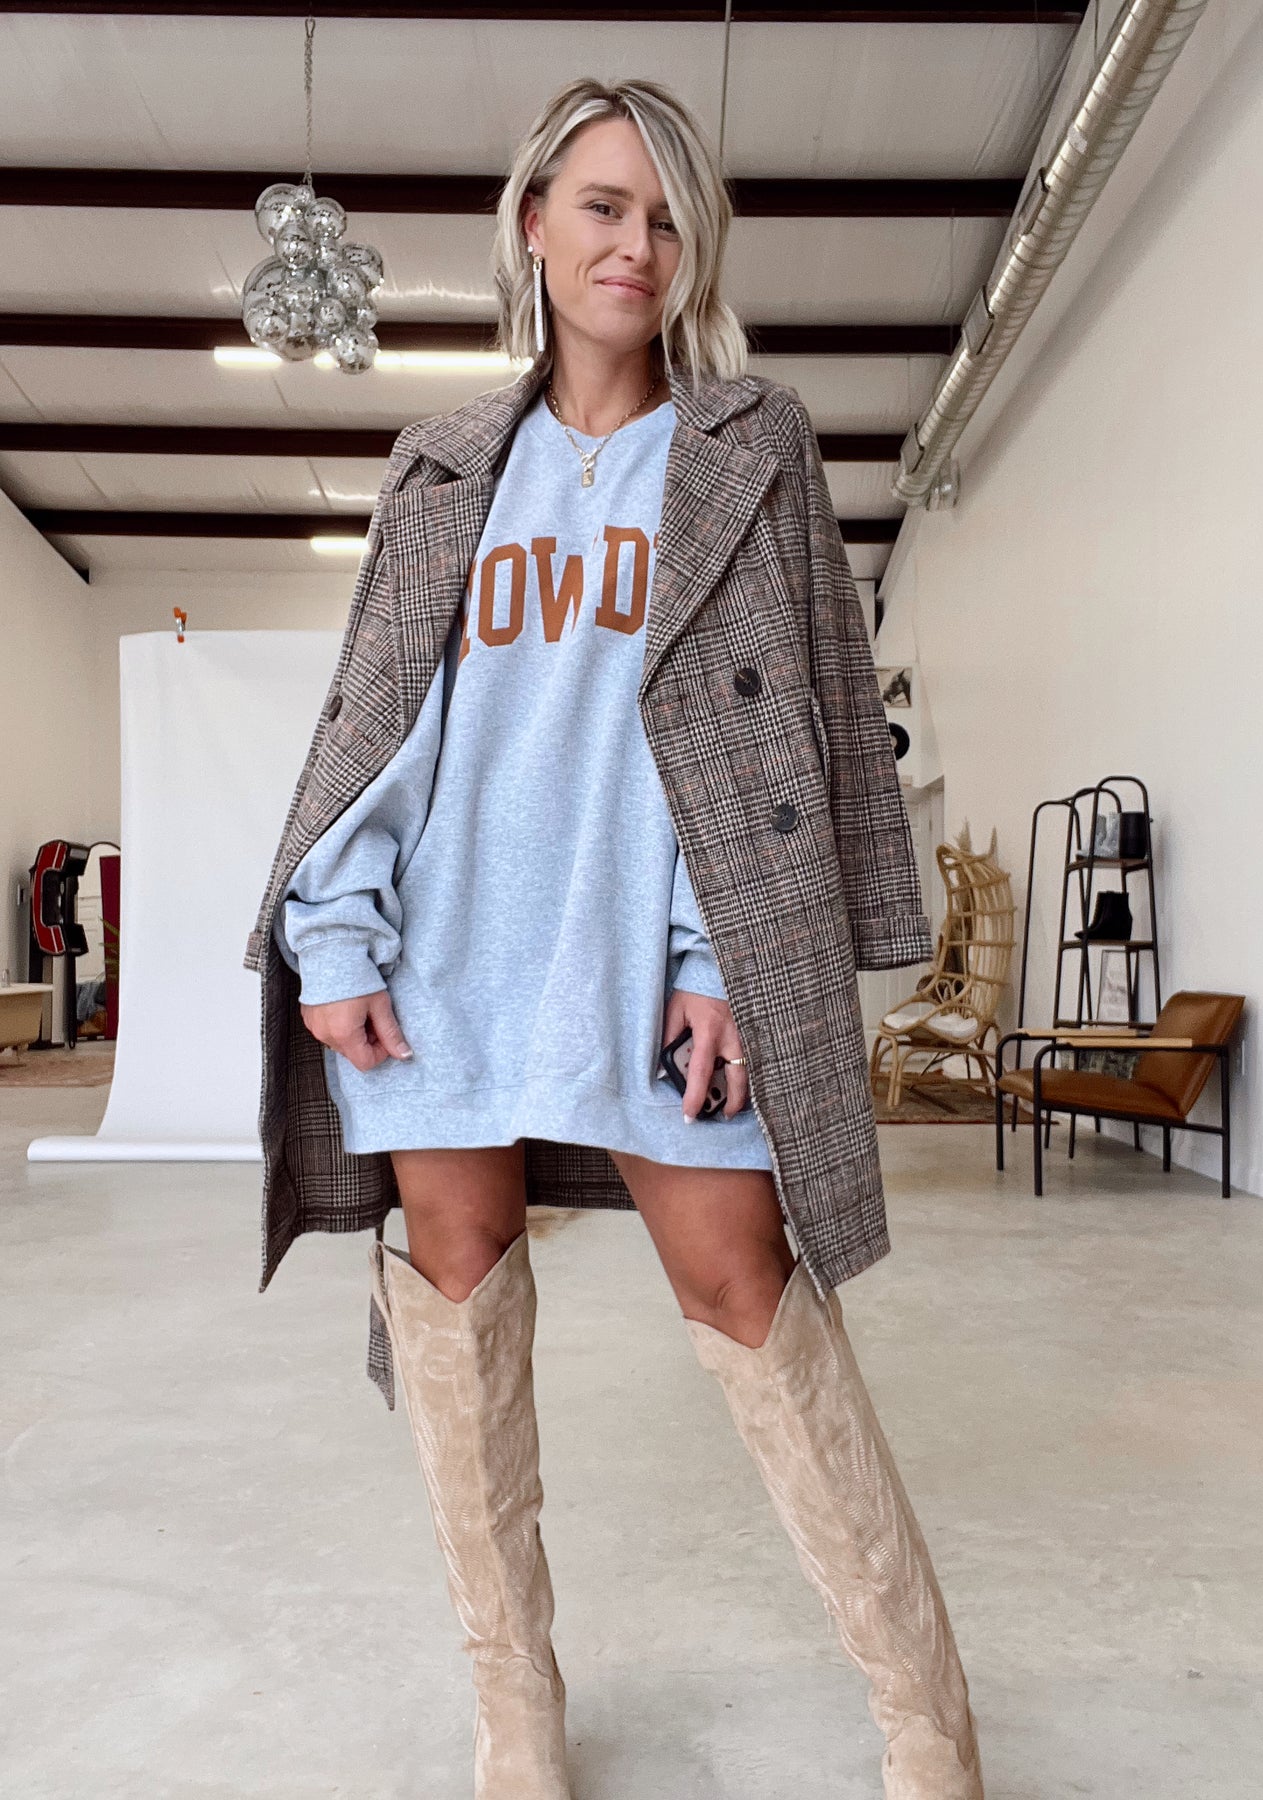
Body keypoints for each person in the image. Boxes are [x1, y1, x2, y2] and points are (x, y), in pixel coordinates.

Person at [251, 75, 983, 1800]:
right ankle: (513, 1707)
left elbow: (800, 724)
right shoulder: (440, 463)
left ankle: (923, 1715)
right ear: (532, 224)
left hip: (650, 955)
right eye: (599, 205)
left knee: (743, 1285)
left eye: (664, 217)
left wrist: (722, 959)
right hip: (443, 961)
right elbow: (375, 719)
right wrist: (334, 936)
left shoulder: (748, 445)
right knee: (454, 1293)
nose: (633, 245)